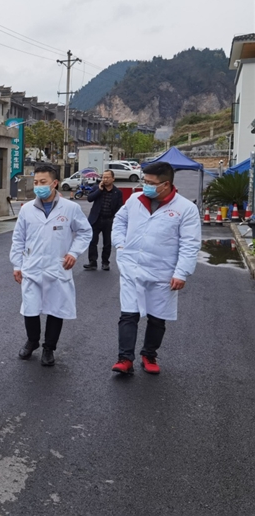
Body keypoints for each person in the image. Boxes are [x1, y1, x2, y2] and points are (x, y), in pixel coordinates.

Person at [110, 161, 201, 375]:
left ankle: (149, 355)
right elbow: (119, 220)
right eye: (145, 181)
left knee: (157, 317)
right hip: (132, 267)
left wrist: (181, 272)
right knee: (128, 314)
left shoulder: (185, 209)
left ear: (166, 184)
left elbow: (190, 243)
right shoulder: (135, 200)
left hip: (163, 272)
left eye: (151, 183)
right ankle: (125, 359)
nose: (146, 186)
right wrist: (120, 244)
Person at [10, 165, 92, 366]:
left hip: (57, 266)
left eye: (43, 182)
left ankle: (49, 348)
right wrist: (17, 265)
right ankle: (32, 341)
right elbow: (18, 238)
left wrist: (73, 252)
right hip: (32, 266)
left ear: (54, 183)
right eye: (36, 182)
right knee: (30, 308)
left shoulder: (70, 208)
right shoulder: (27, 209)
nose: (38, 186)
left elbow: (85, 232)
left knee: (56, 309)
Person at [83, 170, 124, 271]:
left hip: (108, 220)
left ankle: (105, 262)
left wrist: (115, 219)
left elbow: (119, 207)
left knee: (107, 243)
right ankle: (92, 262)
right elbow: (89, 198)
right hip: (96, 219)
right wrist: (99, 190)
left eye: (107, 177)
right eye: (103, 177)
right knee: (93, 241)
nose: (105, 179)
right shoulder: (97, 187)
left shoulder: (117, 192)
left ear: (113, 179)